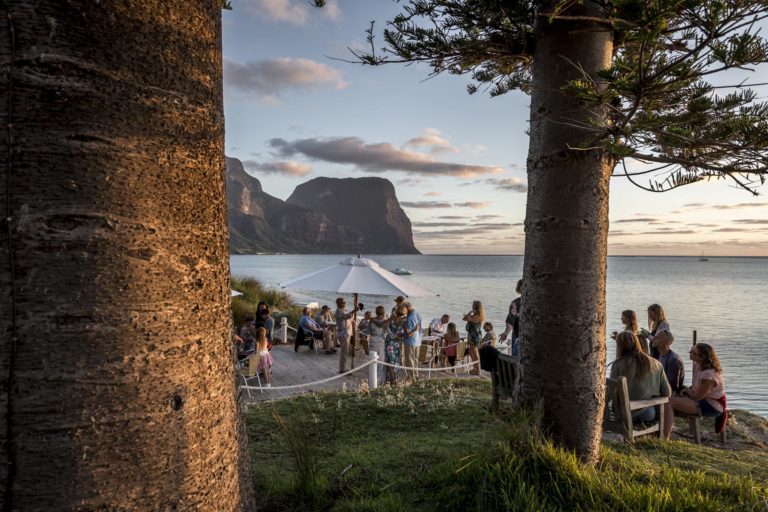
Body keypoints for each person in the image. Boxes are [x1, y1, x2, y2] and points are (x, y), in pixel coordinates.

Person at [663, 343, 726, 439]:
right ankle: (661, 431)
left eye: (693, 352)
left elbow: (697, 397)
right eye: (691, 351)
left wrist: (685, 389)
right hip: (702, 399)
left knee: (668, 402)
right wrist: (685, 392)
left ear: (702, 357)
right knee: (671, 397)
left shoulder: (708, 374)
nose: (690, 353)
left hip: (711, 405)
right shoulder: (697, 365)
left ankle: (664, 437)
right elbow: (696, 387)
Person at [610, 331, 671, 423]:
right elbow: (667, 393)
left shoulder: (618, 364)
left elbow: (611, 392)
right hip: (647, 414)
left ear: (620, 346)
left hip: (623, 415)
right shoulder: (656, 364)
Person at [499, 279, 523, 356]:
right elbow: (510, 321)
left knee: (516, 360)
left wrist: (506, 333)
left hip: (518, 339)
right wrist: (506, 333)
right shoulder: (536, 302)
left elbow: (510, 322)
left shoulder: (515, 303)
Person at [384, 306, 405, 385]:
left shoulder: (391, 320)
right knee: (395, 360)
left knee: (390, 360)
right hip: (397, 343)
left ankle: (391, 378)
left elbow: (386, 329)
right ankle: (394, 378)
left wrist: (392, 334)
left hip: (390, 341)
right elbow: (402, 334)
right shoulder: (403, 321)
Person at [402, 302, 423, 380]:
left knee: (409, 360)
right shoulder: (417, 314)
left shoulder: (410, 318)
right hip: (418, 341)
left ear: (406, 308)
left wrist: (404, 324)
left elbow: (409, 334)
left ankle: (411, 377)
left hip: (410, 341)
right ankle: (416, 375)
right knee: (415, 359)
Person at [463, 300, 484, 375]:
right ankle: (475, 367)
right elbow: (464, 318)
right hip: (471, 335)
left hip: (475, 336)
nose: (472, 306)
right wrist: (470, 312)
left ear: (476, 306)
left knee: (475, 352)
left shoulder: (478, 316)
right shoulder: (474, 314)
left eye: (473, 305)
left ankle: (478, 370)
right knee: (470, 351)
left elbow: (467, 319)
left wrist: (469, 314)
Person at [369, 306, 389, 383]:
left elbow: (369, 331)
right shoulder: (385, 321)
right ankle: (380, 380)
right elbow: (388, 332)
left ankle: (372, 379)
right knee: (381, 361)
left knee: (372, 360)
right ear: (383, 312)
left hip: (372, 340)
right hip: (381, 341)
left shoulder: (372, 320)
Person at [335, 297, 355, 373]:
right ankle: (342, 369)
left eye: (344, 302)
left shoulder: (343, 310)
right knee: (344, 352)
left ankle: (343, 368)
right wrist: (354, 310)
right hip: (343, 334)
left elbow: (348, 317)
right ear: (338, 303)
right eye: (343, 302)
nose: (344, 303)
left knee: (346, 351)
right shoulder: (338, 311)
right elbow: (345, 316)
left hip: (346, 334)